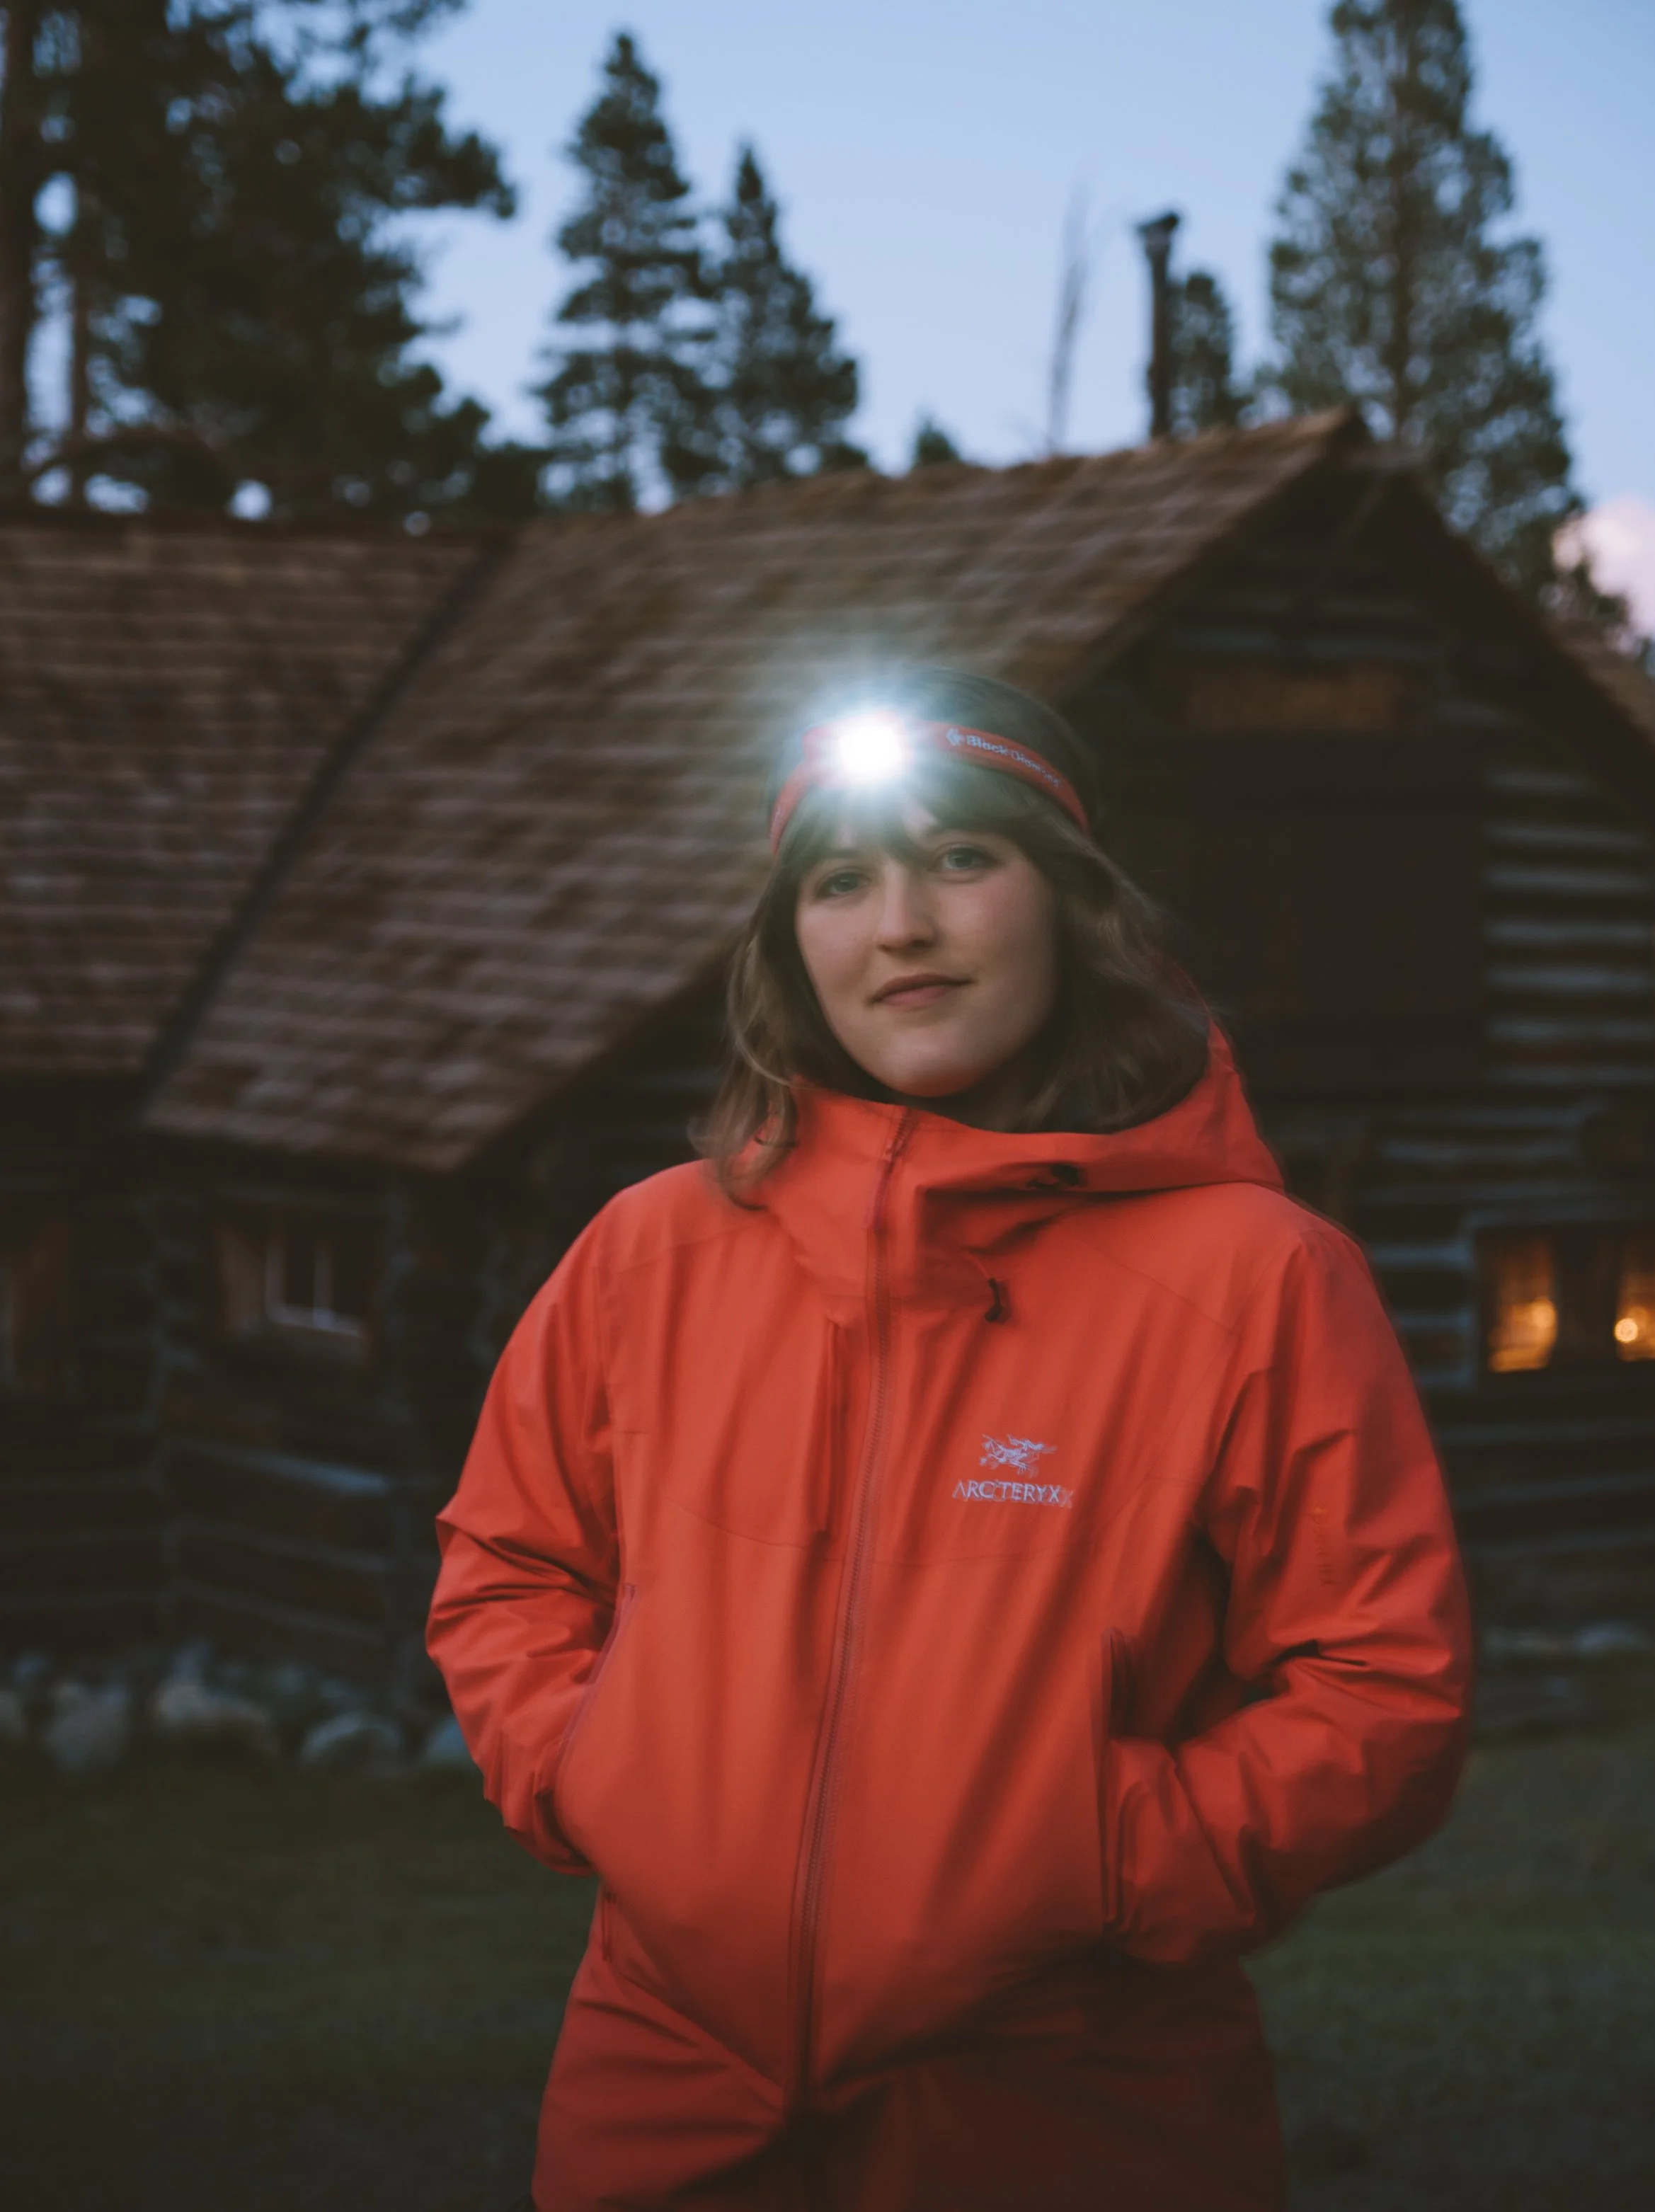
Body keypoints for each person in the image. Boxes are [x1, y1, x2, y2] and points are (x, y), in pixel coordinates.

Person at [428, 667, 1472, 2212]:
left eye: (958, 859)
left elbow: (1385, 1685)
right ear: (792, 941)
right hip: (663, 2078)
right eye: (841, 878)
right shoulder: (648, 1249)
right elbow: (505, 1561)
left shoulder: (1253, 1276)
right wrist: (600, 1776)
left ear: (1068, 902)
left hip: (1066, 2094)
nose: (898, 922)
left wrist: (1116, 1849)